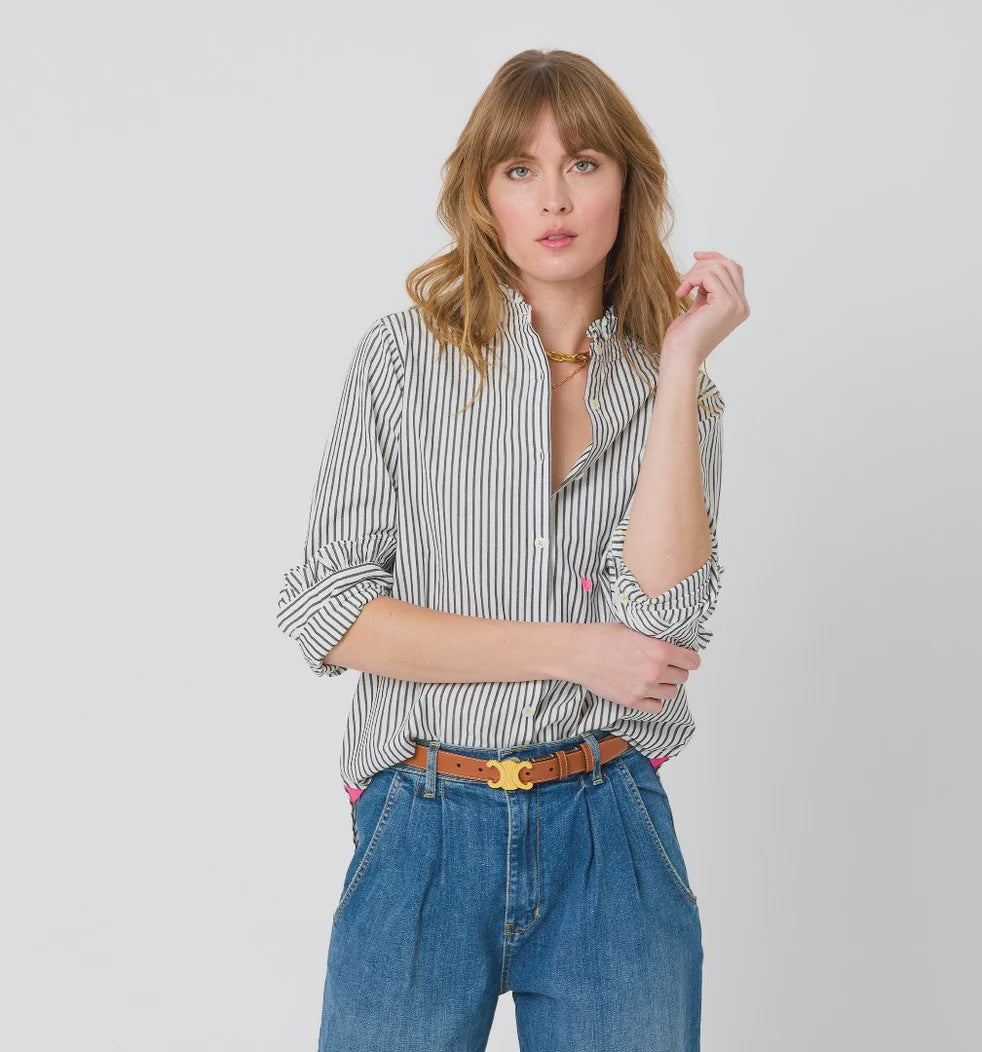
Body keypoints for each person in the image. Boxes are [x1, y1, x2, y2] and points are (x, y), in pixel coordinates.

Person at [276, 47, 749, 1052]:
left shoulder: (680, 395)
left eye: (583, 163)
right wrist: (574, 649)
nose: (554, 198)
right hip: (421, 820)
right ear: (483, 195)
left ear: (627, 182)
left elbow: (664, 622)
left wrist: (676, 368)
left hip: (609, 829)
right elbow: (330, 611)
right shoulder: (402, 360)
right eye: (519, 168)